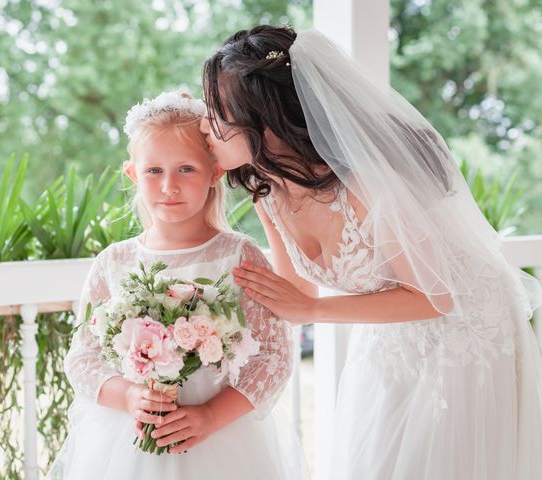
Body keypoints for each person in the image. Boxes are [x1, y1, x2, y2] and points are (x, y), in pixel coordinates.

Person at [200, 25, 542, 480]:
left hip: (465, 329)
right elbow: (296, 293)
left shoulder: (366, 183)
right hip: (392, 336)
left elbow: (433, 297)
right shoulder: (269, 191)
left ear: (262, 115)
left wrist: (313, 308)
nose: (206, 125)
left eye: (217, 111)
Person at [45, 90, 307, 480]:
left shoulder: (239, 256)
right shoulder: (113, 263)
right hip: (128, 443)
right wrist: (131, 396)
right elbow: (83, 359)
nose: (169, 186)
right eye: (154, 171)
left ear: (215, 173)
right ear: (133, 174)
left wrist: (210, 416)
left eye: (186, 169)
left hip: (219, 438)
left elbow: (273, 355)